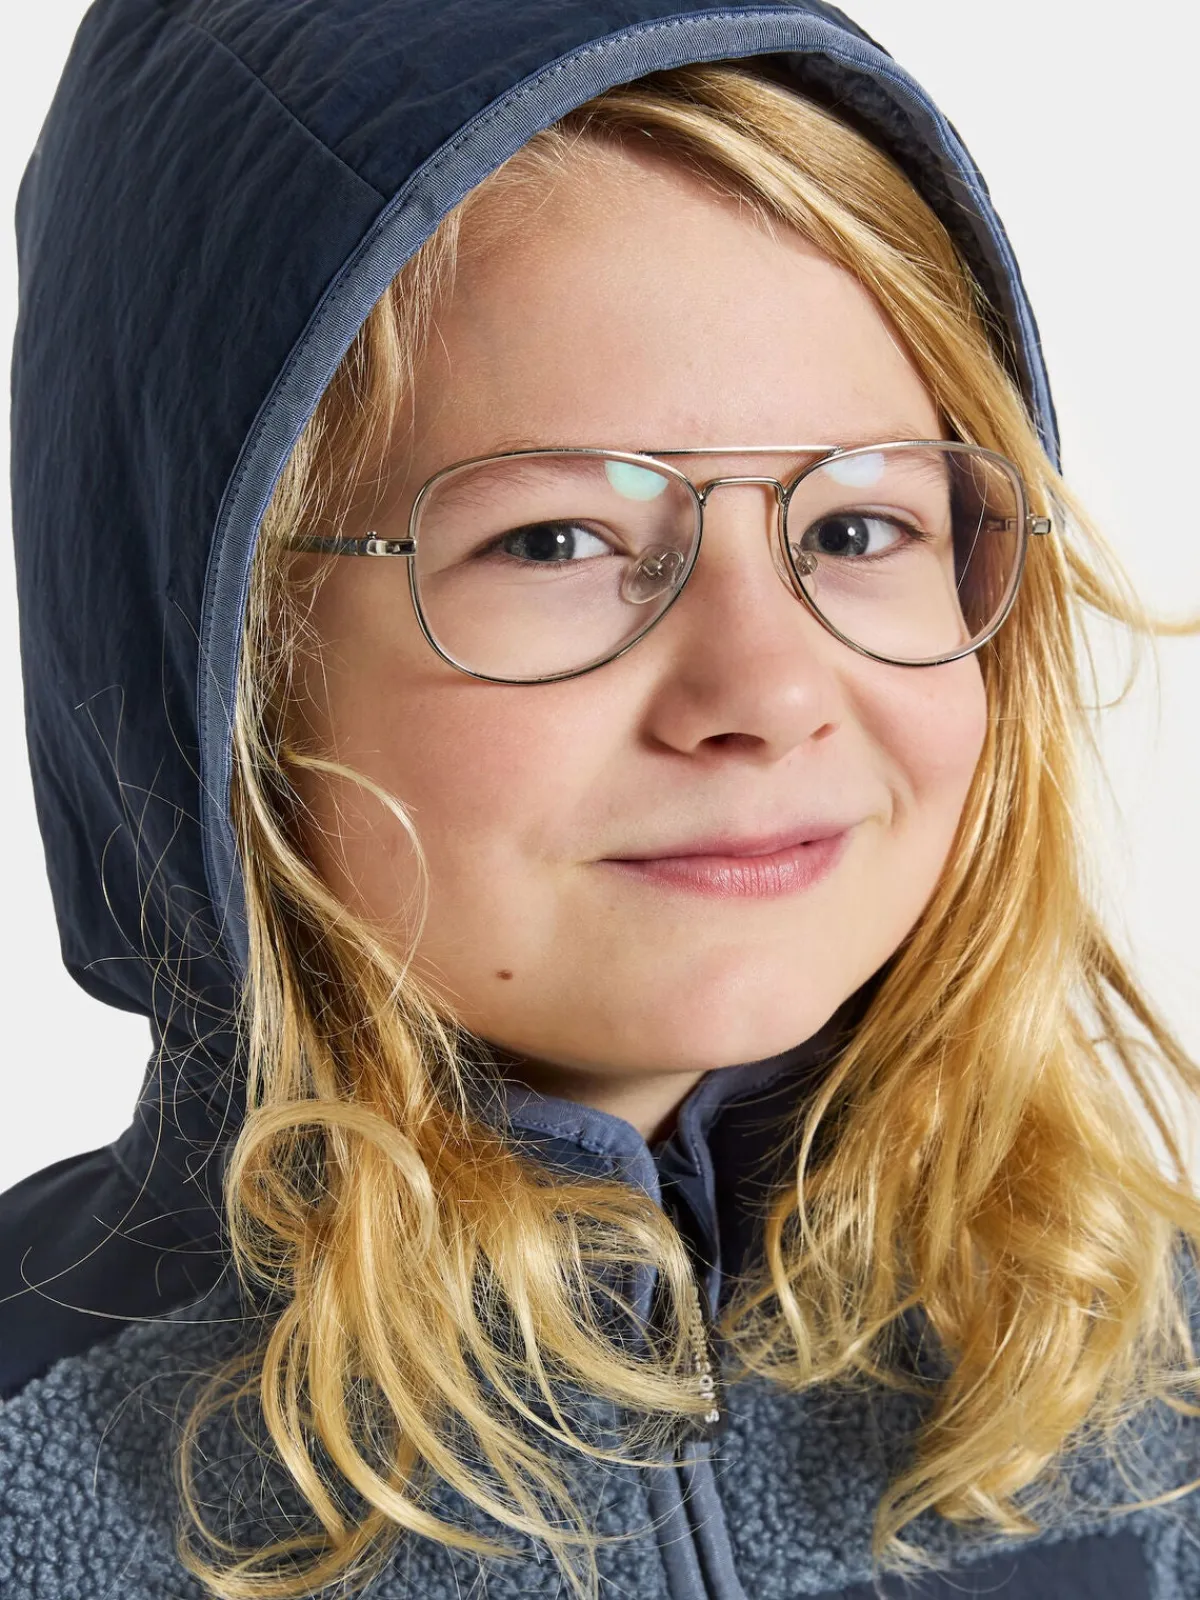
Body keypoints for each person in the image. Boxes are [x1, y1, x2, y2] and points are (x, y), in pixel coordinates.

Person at [1, 1, 1198, 1596]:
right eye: (557, 541)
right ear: (209, 652)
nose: (766, 691)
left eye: (854, 530)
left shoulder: (1146, 1372)